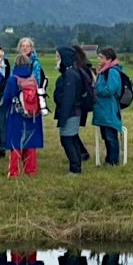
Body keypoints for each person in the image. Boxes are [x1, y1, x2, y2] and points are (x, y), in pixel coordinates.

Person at [2, 54, 44, 177]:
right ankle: (31, 170)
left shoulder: (13, 79)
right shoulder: (33, 79)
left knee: (15, 142)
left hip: (16, 114)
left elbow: (6, 99)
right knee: (30, 143)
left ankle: (14, 171)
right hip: (33, 115)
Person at [54, 46, 84, 175]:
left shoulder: (70, 75)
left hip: (70, 112)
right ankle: (77, 165)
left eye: (58, 57)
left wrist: (63, 117)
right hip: (73, 111)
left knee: (67, 139)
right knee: (72, 138)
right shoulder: (70, 72)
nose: (56, 59)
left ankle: (75, 169)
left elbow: (68, 97)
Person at [93, 48, 124, 166]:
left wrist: (96, 90)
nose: (98, 59)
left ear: (109, 59)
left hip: (109, 108)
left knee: (111, 136)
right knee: (106, 136)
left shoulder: (112, 72)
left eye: (101, 57)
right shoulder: (103, 71)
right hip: (103, 109)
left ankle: (113, 160)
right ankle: (109, 158)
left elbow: (110, 89)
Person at [17, 36, 50, 116]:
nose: (25, 48)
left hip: (31, 94)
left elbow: (36, 79)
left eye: (27, 46)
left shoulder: (35, 63)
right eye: (23, 46)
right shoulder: (17, 62)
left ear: (31, 48)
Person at [71, 45, 93, 162]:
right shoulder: (85, 66)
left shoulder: (80, 68)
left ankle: (81, 152)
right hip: (82, 103)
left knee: (71, 131)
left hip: (79, 104)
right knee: (73, 131)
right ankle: (79, 152)